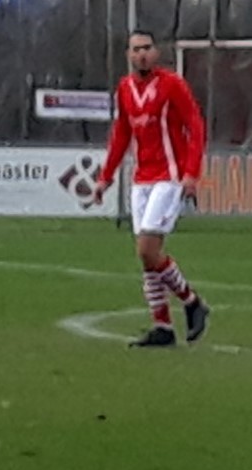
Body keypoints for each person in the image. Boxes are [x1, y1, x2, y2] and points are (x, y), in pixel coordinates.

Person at [88, 29, 210, 349]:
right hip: (141, 179)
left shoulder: (172, 85)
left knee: (147, 249)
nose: (142, 54)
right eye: (136, 49)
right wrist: (106, 177)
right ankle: (163, 326)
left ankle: (192, 300)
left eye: (147, 48)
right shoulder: (125, 89)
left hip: (169, 176)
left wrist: (191, 173)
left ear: (155, 53)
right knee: (147, 258)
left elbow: (195, 126)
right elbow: (121, 135)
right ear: (129, 55)